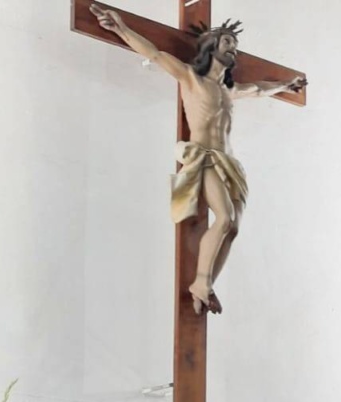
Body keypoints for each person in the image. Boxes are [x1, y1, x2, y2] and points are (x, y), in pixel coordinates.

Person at [89, 5, 307, 315]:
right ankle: (201, 284)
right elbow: (155, 54)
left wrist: (287, 85)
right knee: (225, 218)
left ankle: (205, 285)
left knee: (233, 228)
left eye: (235, 44)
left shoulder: (229, 91)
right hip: (204, 157)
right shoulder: (191, 78)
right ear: (211, 47)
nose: (234, 48)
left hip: (229, 163)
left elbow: (260, 88)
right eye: (227, 42)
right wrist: (121, 28)